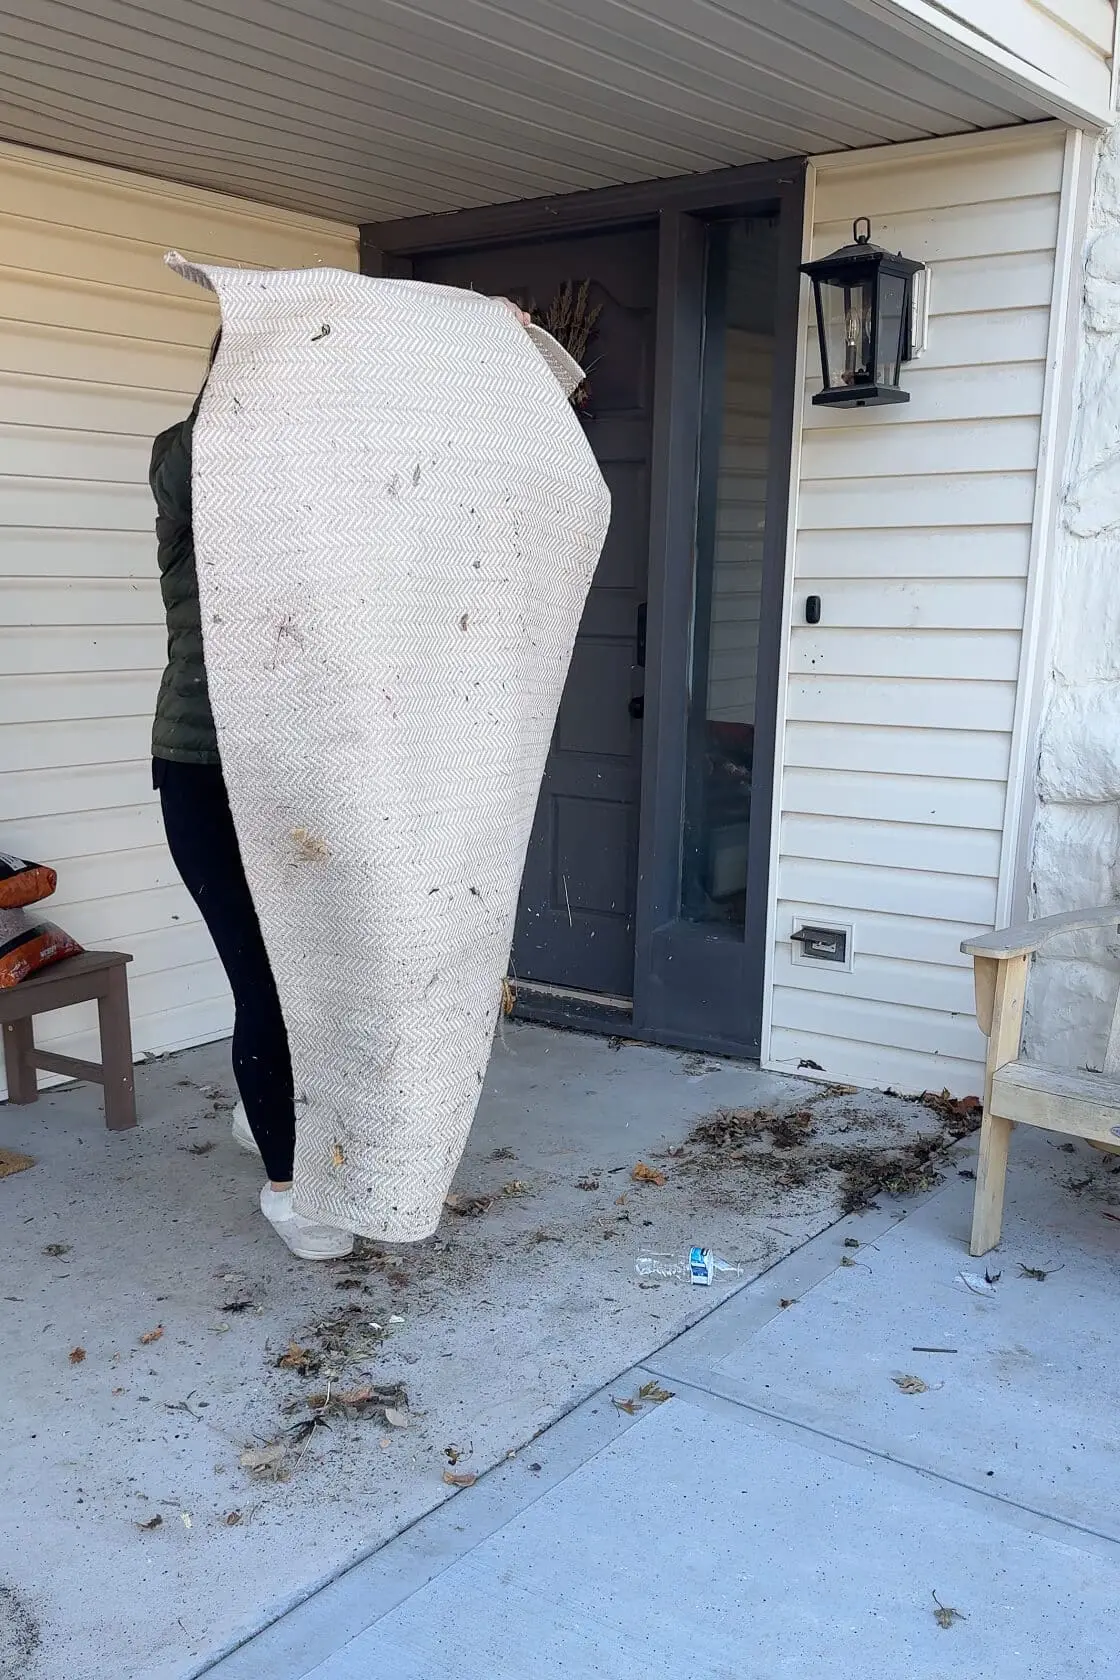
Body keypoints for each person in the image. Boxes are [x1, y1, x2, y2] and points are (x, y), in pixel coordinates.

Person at [150, 302, 531, 1260]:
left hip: (321, 758)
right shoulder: (201, 455)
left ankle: (268, 1116)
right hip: (216, 764)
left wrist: (478, 351)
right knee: (272, 979)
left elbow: (445, 476)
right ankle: (290, 1186)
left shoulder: (318, 458)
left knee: (338, 967)